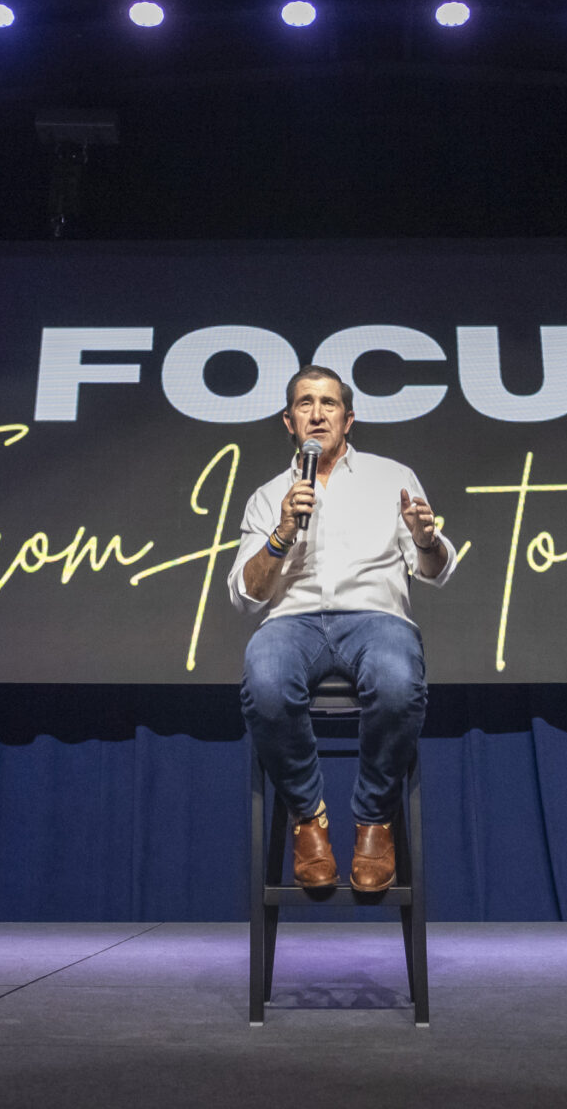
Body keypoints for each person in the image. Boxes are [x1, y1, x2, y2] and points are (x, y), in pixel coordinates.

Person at [229, 364, 458, 891]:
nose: (317, 414)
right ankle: (308, 817)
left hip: (375, 617)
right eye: (305, 404)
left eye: (328, 403)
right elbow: (245, 595)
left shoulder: (392, 477)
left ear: (348, 419)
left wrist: (426, 540)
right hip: (293, 621)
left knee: (398, 683)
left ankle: (374, 818)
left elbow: (436, 571)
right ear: (289, 421)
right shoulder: (268, 495)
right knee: (265, 681)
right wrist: (281, 535)